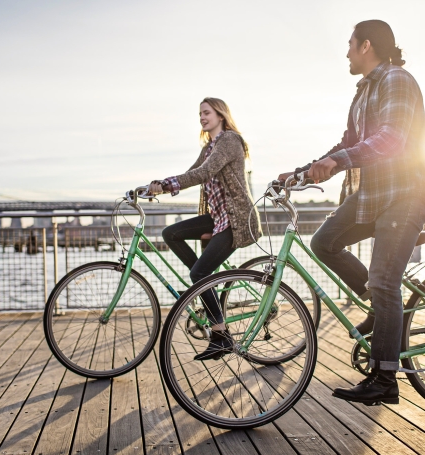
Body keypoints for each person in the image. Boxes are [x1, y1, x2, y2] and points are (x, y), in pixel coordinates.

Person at [279, 20, 425, 405]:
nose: (345, 52)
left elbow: (392, 140)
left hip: (405, 194)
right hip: (371, 195)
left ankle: (384, 379)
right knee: (324, 241)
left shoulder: (396, 79)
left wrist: (339, 160)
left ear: (366, 45)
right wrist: (302, 170)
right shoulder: (364, 92)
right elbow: (348, 142)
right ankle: (380, 312)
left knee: (383, 280)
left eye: (349, 45)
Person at [148, 97, 262, 360]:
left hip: (236, 219)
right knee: (171, 234)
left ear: (220, 115)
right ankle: (201, 278)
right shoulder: (210, 146)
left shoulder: (230, 141)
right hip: (217, 216)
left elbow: (204, 173)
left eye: (206, 112)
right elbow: (193, 171)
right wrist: (157, 186)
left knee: (200, 274)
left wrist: (167, 185)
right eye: (200, 113)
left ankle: (220, 335)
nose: (202, 117)